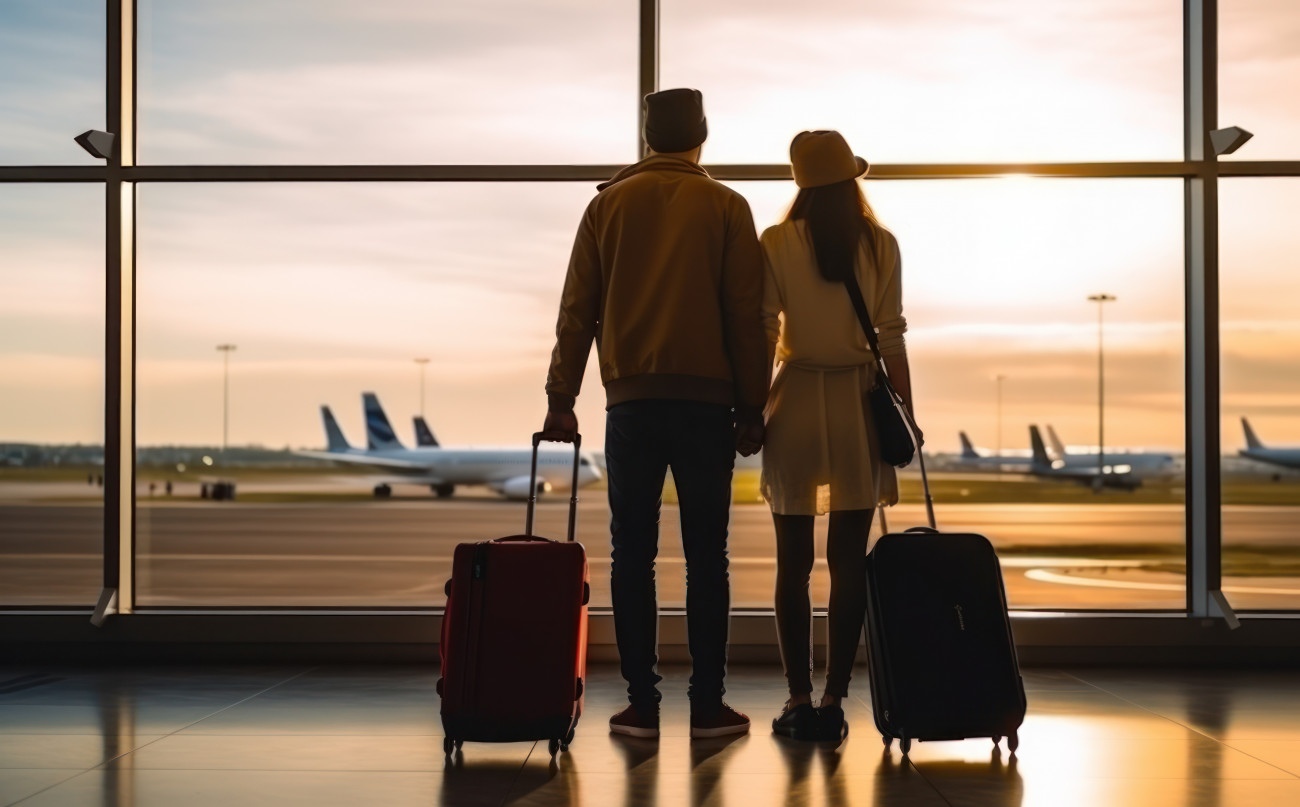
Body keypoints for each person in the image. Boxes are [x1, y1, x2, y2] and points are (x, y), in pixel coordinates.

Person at [541, 88, 769, 740]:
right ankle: (707, 705)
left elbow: (576, 308)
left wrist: (562, 397)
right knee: (708, 558)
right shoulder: (726, 205)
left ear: (646, 135)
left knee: (631, 554)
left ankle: (641, 703)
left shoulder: (607, 205)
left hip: (632, 403)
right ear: (703, 133)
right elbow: (746, 317)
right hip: (707, 405)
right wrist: (752, 405)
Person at [759, 131, 917, 742]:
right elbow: (894, 335)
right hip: (858, 404)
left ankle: (796, 697)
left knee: (791, 562)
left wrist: (750, 408)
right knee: (847, 561)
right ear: (853, 180)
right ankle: (833, 699)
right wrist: (906, 411)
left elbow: (763, 328)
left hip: (794, 399)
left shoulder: (775, 242)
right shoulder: (881, 245)